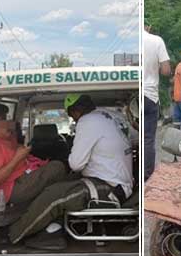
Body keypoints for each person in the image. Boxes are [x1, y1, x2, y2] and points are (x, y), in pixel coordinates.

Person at [8, 94, 132, 244]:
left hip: (110, 188)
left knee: (52, 195)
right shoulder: (110, 115)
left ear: (75, 110)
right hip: (118, 182)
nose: (73, 119)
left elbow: (76, 164)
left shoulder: (87, 121)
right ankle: (52, 227)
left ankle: (13, 235)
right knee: (58, 181)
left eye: (71, 115)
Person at [0, 103, 68, 208]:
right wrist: (17, 158)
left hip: (22, 175)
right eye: (3, 120)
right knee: (57, 168)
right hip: (10, 189)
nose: (8, 124)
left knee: (53, 168)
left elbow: (14, 146)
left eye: (7, 118)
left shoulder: (4, 136)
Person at [142, 24, 170, 181]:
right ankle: (146, 176)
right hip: (149, 95)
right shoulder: (156, 40)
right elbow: (166, 70)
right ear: (148, 26)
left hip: (132, 97)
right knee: (147, 139)